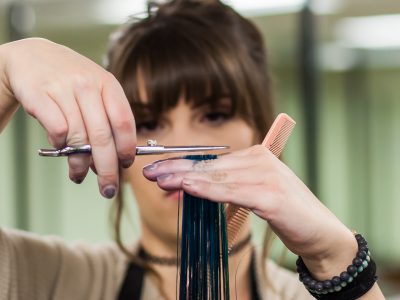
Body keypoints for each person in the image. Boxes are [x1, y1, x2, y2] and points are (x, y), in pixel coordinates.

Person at [0, 0, 385, 299]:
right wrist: (3, 74)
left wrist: (338, 260)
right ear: (116, 154)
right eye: (148, 124)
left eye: (215, 114)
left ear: (263, 135)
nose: (182, 152)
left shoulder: (321, 296)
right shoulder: (49, 280)